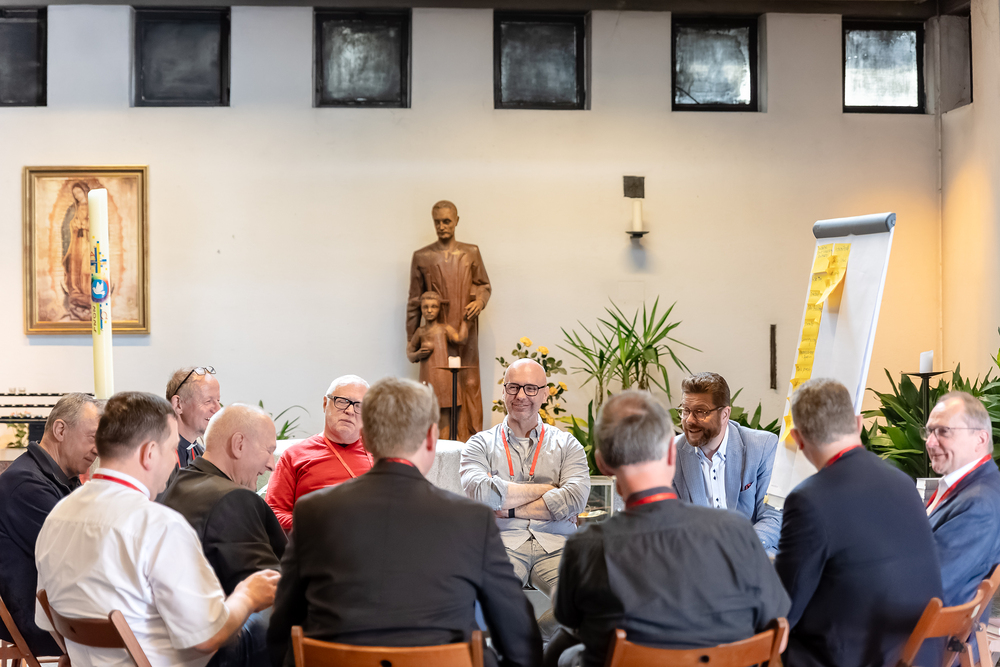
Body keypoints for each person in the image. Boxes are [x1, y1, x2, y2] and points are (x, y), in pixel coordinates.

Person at [268, 377, 541, 667]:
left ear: (367, 438)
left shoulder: (312, 511)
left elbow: (281, 629)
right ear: (431, 437)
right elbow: (520, 639)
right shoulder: (472, 519)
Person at [34, 391, 279, 667]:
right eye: (172, 449)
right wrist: (247, 594)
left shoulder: (58, 516)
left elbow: (50, 622)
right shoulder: (158, 525)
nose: (175, 461)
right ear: (149, 453)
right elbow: (208, 635)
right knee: (268, 620)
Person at [549, 390, 790, 667]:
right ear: (671, 455)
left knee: (565, 655)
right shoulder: (736, 530)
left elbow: (568, 619)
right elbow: (778, 632)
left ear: (602, 463)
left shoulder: (587, 547)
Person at [775, 378, 943, 667]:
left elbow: (783, 608)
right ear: (858, 423)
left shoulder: (809, 499)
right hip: (916, 655)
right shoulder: (903, 482)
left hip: (848, 658)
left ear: (798, 439)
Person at [460, 359, 590, 636]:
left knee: (588, 602)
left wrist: (508, 508)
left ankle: (535, 639)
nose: (521, 395)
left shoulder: (568, 445)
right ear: (504, 391)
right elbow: (481, 494)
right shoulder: (479, 444)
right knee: (480, 604)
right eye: (514, 387)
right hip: (500, 544)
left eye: (531, 388)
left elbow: (575, 498)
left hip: (558, 545)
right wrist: (549, 489)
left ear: (545, 394)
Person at [161, 404, 286, 667]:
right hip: (218, 649)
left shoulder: (176, 485)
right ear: (238, 444)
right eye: (269, 450)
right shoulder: (234, 499)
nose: (271, 465)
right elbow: (269, 588)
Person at [0, 393, 103, 657]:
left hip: (62, 608)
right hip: (41, 620)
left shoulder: (60, 479)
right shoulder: (25, 484)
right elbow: (81, 555)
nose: (98, 449)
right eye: (93, 437)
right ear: (60, 430)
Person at [407, 200, 491, 441]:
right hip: (436, 334)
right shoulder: (422, 257)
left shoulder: (470, 252)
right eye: (437, 222)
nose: (442, 226)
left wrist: (480, 302)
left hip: (465, 327)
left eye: (446, 221)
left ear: (456, 221)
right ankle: (437, 444)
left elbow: (483, 285)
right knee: (438, 390)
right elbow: (414, 301)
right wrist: (412, 340)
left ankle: (471, 442)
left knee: (469, 382)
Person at [672, 372, 782, 553]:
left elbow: (773, 515)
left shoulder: (761, 447)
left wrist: (740, 550)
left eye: (701, 412)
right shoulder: (669, 453)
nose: (690, 420)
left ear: (725, 414)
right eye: (685, 411)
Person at [924, 392, 1000, 613]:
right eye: (929, 431)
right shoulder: (970, 487)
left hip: (927, 629)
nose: (930, 442)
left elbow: (932, 586)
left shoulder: (979, 503)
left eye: (943, 431)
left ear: (980, 439)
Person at [265, 375, 371, 531]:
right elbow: (273, 513)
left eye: (359, 405)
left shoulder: (381, 454)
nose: (349, 411)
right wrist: (317, 526)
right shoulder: (294, 456)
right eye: (342, 401)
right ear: (325, 403)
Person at [407, 290, 468, 439]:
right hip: (427, 376)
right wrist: (418, 354)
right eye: (425, 307)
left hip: (444, 377)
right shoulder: (420, 332)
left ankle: (444, 443)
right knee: (428, 412)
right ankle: (430, 445)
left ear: (439, 308)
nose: (429, 310)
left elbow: (460, 339)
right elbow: (410, 354)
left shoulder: (444, 329)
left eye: (433, 306)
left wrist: (466, 321)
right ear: (421, 309)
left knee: (444, 412)